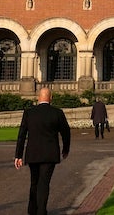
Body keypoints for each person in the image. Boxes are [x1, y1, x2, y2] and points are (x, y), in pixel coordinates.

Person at [14, 87, 71, 215]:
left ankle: (32, 210)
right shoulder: (57, 112)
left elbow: (22, 134)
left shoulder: (29, 112)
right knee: (44, 183)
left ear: (38, 98)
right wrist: (65, 149)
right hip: (50, 153)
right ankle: (41, 211)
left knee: (34, 181)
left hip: (33, 153)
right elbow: (66, 132)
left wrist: (18, 155)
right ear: (51, 98)